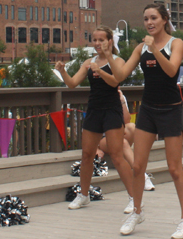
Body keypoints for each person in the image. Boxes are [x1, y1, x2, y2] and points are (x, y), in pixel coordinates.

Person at [102, 4, 183, 238]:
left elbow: (172, 70)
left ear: (164, 19)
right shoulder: (140, 47)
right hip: (148, 110)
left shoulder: (176, 43)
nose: (149, 22)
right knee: (137, 166)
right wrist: (107, 56)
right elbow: (119, 77)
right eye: (145, 19)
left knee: (174, 169)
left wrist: (155, 50)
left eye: (153, 18)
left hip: (171, 110)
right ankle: (137, 211)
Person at [55, 26, 136, 220]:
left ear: (110, 41)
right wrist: (63, 71)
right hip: (94, 110)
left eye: (102, 40)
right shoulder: (88, 62)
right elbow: (73, 84)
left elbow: (116, 81)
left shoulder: (117, 61)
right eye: (95, 40)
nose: (98, 43)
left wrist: (100, 70)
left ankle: (134, 197)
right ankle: (84, 195)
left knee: (117, 156)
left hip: (111, 110)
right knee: (86, 155)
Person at [97, 89, 155, 193]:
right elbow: (91, 128)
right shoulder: (99, 97)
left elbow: (126, 120)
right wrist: (95, 149)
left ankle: (136, 166)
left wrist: (122, 101)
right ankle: (142, 175)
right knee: (122, 143)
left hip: (118, 133)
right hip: (103, 139)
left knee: (132, 127)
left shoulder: (120, 97)